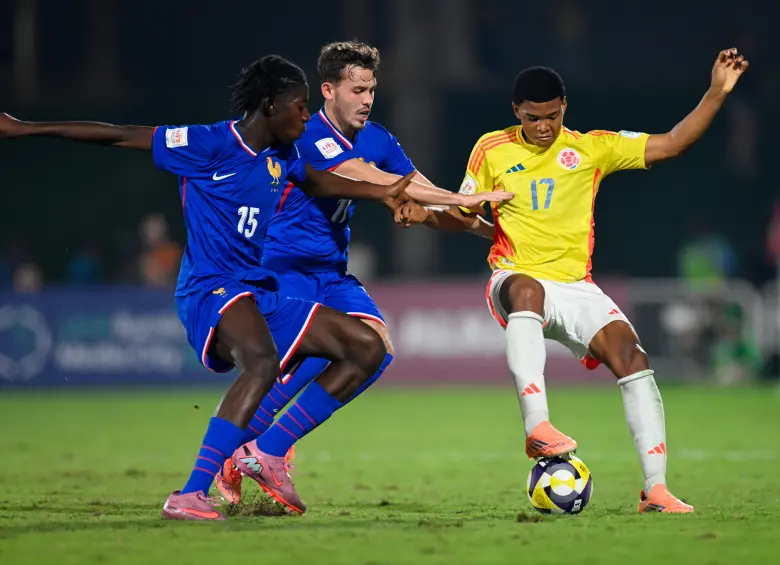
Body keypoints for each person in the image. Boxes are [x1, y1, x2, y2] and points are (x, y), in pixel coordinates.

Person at [0, 55, 452, 520]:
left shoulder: (284, 155)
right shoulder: (209, 143)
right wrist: (24, 128)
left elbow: (320, 182)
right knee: (261, 364)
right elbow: (117, 134)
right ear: (270, 106)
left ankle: (266, 453)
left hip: (256, 290)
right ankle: (190, 494)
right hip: (209, 288)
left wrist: (386, 193)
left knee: (366, 348)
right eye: (298, 107)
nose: (305, 117)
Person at [401, 48, 749, 513]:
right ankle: (538, 428)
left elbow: (672, 143)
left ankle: (656, 489)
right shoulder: (491, 148)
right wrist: (427, 216)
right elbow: (463, 216)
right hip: (514, 274)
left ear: (564, 106)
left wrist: (715, 93)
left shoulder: (591, 148)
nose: (543, 126)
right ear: (516, 112)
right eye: (532, 118)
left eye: (552, 116)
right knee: (527, 290)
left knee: (633, 357)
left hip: (576, 286)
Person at [214, 41, 512, 508]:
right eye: (357, 90)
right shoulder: (306, 134)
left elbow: (423, 195)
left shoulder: (379, 139)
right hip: (284, 271)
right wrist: (458, 198)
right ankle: (228, 459)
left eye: (372, 89)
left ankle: (262, 452)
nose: (367, 99)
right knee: (287, 371)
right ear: (328, 90)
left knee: (375, 346)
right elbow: (370, 178)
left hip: (332, 273)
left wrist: (491, 231)